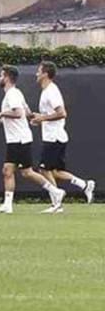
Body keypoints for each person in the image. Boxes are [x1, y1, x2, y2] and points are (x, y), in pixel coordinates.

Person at [0, 65, 65, 215]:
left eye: (1, 76)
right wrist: (34, 118)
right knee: (13, 171)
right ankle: (7, 205)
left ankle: (55, 192)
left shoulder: (12, 94)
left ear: (6, 78)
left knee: (22, 172)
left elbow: (18, 113)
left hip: (19, 140)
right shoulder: (15, 93)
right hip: (16, 139)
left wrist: (1, 114)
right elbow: (26, 112)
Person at [30, 61, 95, 206]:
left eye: (39, 71)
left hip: (54, 137)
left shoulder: (51, 91)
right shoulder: (46, 91)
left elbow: (62, 113)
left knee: (43, 169)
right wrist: (39, 118)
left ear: (45, 74)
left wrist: (43, 118)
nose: (36, 74)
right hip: (54, 136)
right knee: (55, 172)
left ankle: (56, 203)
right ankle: (84, 185)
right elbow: (50, 114)